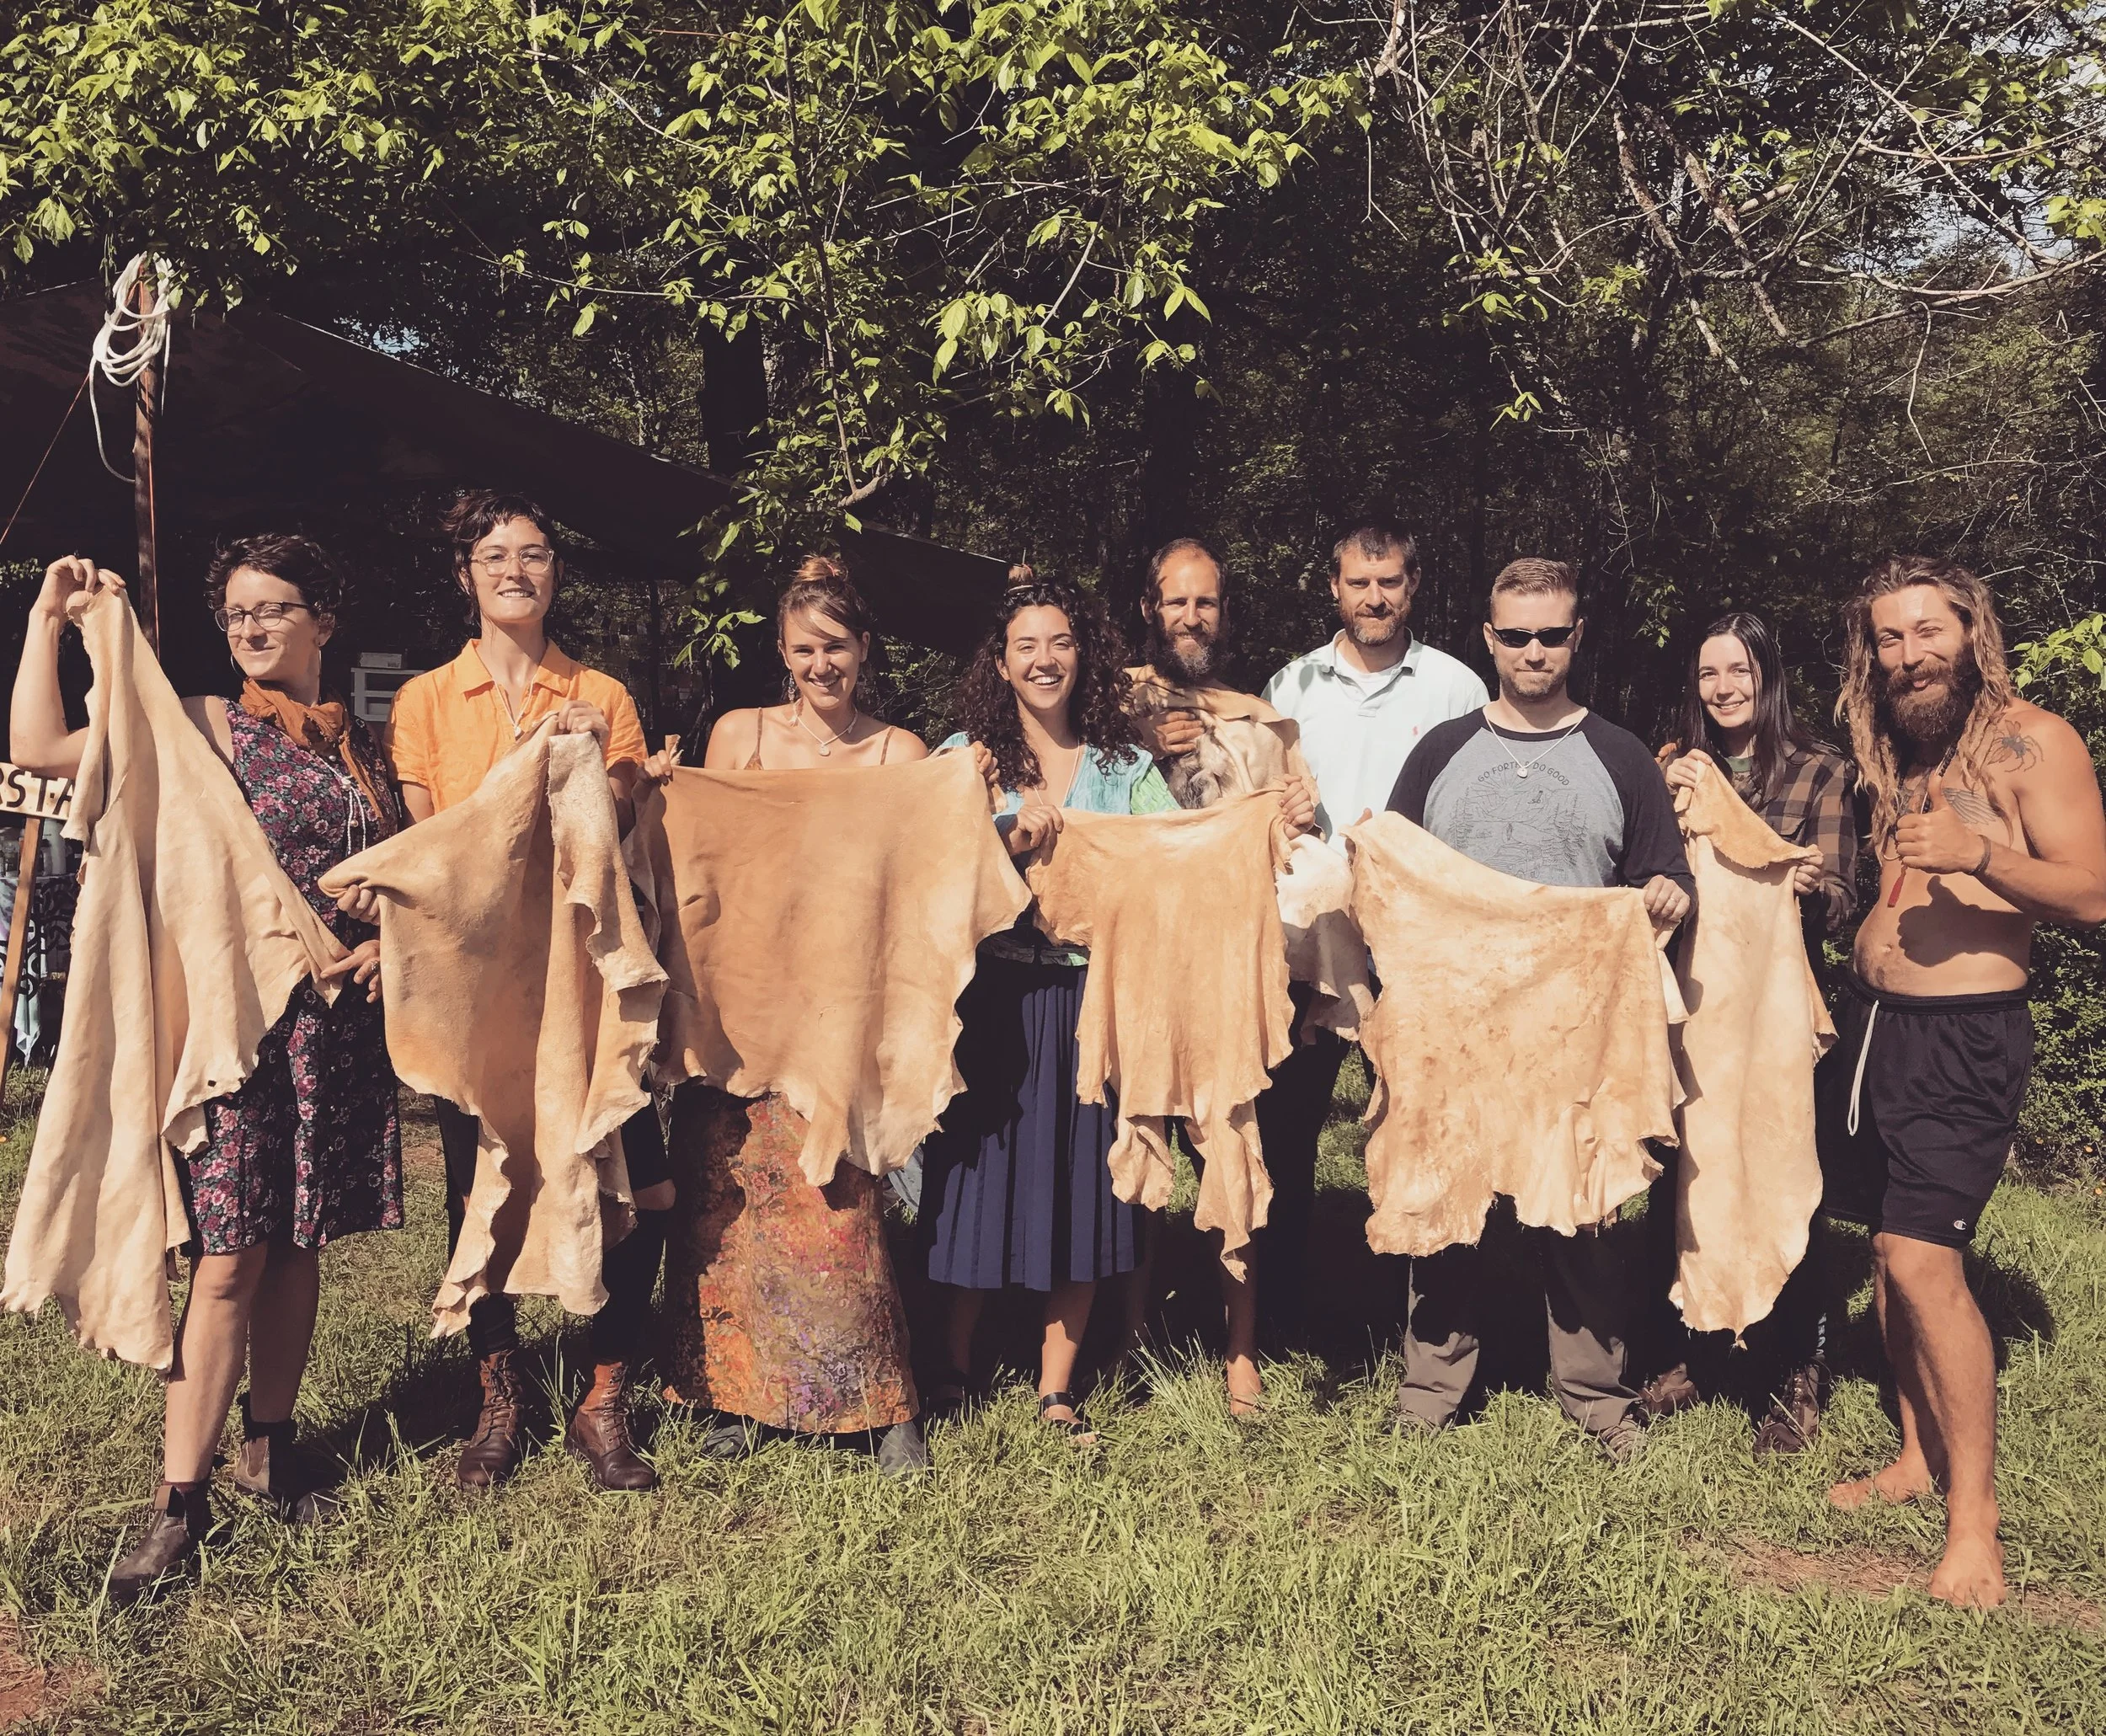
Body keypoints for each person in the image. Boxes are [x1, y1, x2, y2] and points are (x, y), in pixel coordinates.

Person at [10, 542, 403, 1602]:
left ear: (325, 621)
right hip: (238, 1034)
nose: (253, 630)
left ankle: (270, 1449)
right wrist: (51, 624)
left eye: (275, 611)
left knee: (298, 1244)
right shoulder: (198, 727)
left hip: (340, 1032)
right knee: (228, 1258)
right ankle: (179, 1503)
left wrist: (383, 939)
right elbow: (41, 746)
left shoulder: (366, 752)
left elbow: (404, 880)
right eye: (236, 616)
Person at [340, 489, 665, 1493]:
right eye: (494, 555)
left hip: (586, 978)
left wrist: (587, 767)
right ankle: (501, 1402)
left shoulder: (601, 693)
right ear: (466, 576)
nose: (515, 569)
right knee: (487, 1176)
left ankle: (603, 1400)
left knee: (636, 1182)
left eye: (533, 553)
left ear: (555, 573)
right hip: (479, 981)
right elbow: (440, 847)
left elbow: (618, 810)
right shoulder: (428, 701)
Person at [1820, 555, 2104, 1608]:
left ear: (1971, 630)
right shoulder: (1898, 747)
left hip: (1964, 1035)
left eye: (1926, 633)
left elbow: (2091, 893)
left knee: (1920, 1257)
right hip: (1875, 1029)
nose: (1909, 656)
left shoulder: (2035, 741)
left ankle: (1974, 1529)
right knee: (1887, 1257)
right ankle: (1911, 1454)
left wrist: (1983, 854)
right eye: (1890, 640)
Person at [1385, 557, 1693, 1461]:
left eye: (1550, 634)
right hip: (1458, 1030)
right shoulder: (1441, 752)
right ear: (1487, 638)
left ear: (1575, 636)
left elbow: (1661, 872)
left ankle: (1596, 1396)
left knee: (1586, 1212)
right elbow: (1395, 880)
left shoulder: (1621, 756)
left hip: (1578, 1030)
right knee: (1447, 1209)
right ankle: (1429, 1390)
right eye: (1514, 635)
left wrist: (1668, 895)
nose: (1532, 651)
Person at [661, 554, 930, 1477]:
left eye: (839, 647)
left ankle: (879, 1403)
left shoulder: (899, 753)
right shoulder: (739, 736)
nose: (823, 664)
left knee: (841, 1204)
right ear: (782, 651)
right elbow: (701, 857)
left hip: (841, 1001)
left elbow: (918, 873)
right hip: (741, 995)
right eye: (805, 647)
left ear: (865, 652)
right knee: (728, 1204)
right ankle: (733, 1396)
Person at [920, 580, 1178, 1443]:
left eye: (1060, 642)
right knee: (972, 1177)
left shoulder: (1125, 769)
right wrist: (1003, 838)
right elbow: (919, 868)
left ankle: (1054, 1387)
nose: (1043, 660)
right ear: (1000, 662)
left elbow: (1176, 862)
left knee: (1083, 1182)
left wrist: (1269, 825)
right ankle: (952, 1368)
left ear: (1084, 654)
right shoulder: (962, 758)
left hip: (1088, 1000)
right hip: (988, 999)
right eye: (1026, 646)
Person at [1252, 519, 1489, 1343]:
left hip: (1415, 940)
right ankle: (1279, 1309)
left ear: (1413, 587)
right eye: (1359, 582)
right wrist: (1274, 813)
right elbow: (1257, 809)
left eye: (1388, 583)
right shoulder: (1290, 689)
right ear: (1334, 588)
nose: (1374, 597)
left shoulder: (1456, 689)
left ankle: (1418, 1317)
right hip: (1311, 938)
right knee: (1286, 1128)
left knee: (1416, 1123)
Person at [1645, 612, 1860, 1452]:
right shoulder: (1675, 770)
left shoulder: (1820, 774)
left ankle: (1790, 1382)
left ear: (1768, 677)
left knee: (1778, 1175)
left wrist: (1808, 880)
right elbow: (1643, 871)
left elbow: (1845, 896)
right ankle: (1696, 1348)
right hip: (1692, 1004)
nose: (1723, 687)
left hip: (1774, 1016)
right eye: (1708, 674)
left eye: (1738, 671)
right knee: (1686, 1180)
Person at [1123, 537, 1318, 1412]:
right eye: (1176, 602)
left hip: (1230, 966)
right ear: (1149, 610)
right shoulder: (1114, 701)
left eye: (1205, 603)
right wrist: (1140, 744)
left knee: (1234, 1146)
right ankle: (1129, 1336)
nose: (1191, 618)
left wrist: (1300, 810)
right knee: (1138, 1145)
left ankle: (1240, 1348)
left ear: (1224, 613)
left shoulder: (1261, 721)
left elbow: (1292, 844)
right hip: (1137, 959)